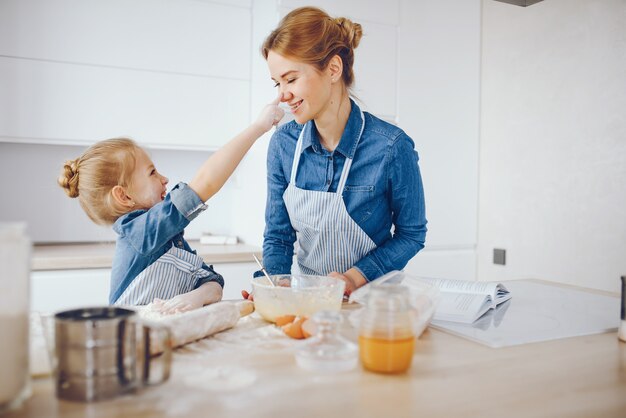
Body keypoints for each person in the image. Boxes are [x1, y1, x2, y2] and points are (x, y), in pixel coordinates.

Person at [247, 6, 427, 298]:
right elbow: (278, 235)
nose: (282, 95)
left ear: (333, 69)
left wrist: (354, 278)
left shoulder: (391, 146)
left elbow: (411, 234)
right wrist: (274, 284)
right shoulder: (283, 144)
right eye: (277, 83)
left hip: (373, 303)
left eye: (291, 79)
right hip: (310, 301)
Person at [59, 98, 284, 313]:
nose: (164, 179)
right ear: (124, 196)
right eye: (152, 172)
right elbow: (204, 184)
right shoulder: (138, 234)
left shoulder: (168, 241)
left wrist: (195, 296)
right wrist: (257, 127)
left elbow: (214, 284)